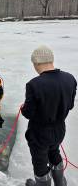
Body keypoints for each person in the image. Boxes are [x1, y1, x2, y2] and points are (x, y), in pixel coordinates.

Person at [21, 46, 77, 186]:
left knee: (40, 162)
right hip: (59, 130)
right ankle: (60, 183)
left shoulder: (34, 85)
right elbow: (70, 105)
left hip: (39, 133)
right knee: (54, 151)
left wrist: (23, 108)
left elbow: (28, 113)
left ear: (37, 63)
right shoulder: (70, 79)